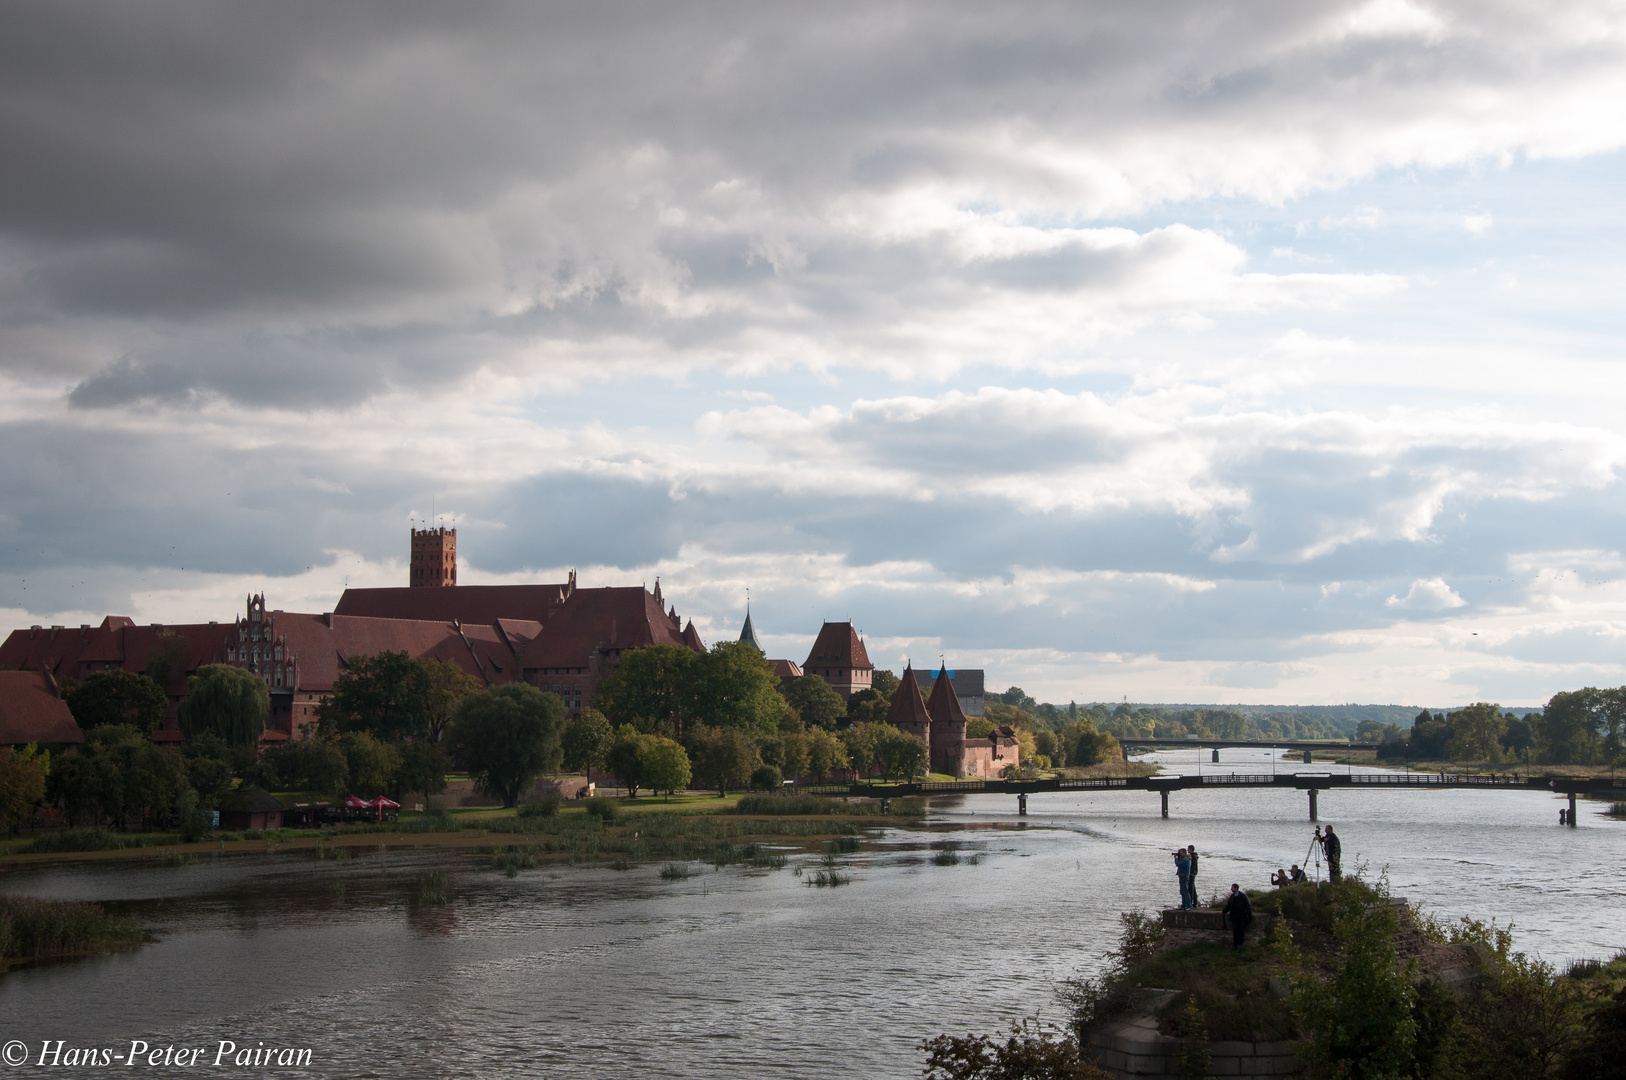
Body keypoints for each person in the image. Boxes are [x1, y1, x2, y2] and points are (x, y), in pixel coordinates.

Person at [1221, 883, 1253, 949]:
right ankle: (1236, 945)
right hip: (1234, 916)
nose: (1231, 889)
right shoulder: (1232, 896)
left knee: (1241, 930)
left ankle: (1239, 944)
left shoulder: (1243, 896)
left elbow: (1248, 906)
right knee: (1235, 931)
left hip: (1241, 916)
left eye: (1232, 887)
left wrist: (1246, 914)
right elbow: (1229, 906)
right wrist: (1223, 911)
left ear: (1236, 888)